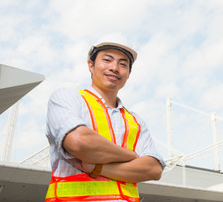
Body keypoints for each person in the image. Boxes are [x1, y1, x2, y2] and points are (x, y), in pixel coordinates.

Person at [45, 35, 164, 202]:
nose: (115, 68)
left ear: (129, 74)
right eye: (107, 60)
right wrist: (132, 156)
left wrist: (96, 166)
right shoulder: (67, 97)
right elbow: (79, 142)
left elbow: (153, 170)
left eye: (123, 64)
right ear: (91, 65)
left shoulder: (135, 121)